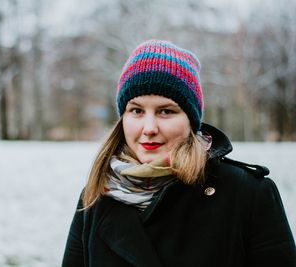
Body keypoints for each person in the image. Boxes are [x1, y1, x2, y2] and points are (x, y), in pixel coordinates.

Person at [62, 39, 296, 267]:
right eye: (136, 110)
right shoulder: (96, 197)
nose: (149, 128)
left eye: (166, 111)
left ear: (191, 121)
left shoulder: (247, 194)